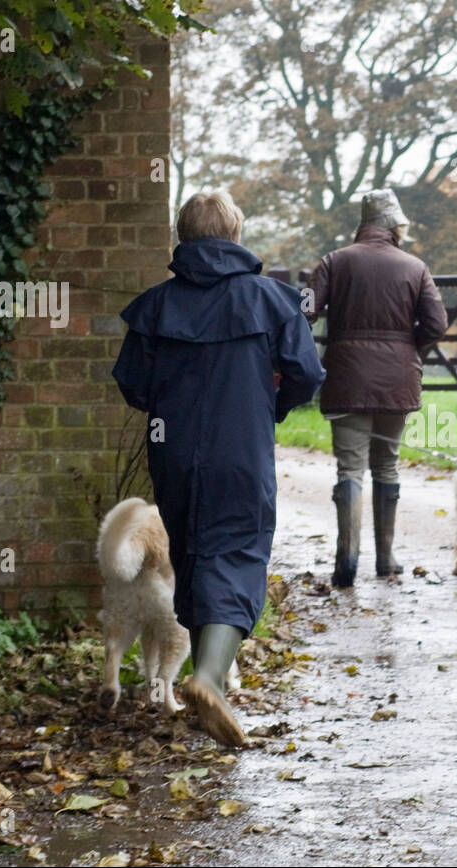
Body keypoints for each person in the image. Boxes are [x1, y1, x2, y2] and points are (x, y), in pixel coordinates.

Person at [114, 191, 325, 746]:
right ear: (234, 234)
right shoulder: (272, 301)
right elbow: (306, 371)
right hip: (242, 450)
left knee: (193, 550)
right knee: (239, 550)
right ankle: (209, 679)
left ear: (183, 236)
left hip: (175, 453)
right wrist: (270, 404)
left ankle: (209, 682)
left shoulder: (155, 307)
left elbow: (133, 383)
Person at [310, 188, 448, 587]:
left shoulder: (335, 262)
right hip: (396, 381)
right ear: (395, 226)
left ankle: (347, 559)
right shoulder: (415, 267)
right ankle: (386, 558)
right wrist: (406, 348)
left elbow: (304, 309)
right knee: (385, 463)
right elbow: (437, 324)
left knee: (349, 467)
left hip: (346, 377)